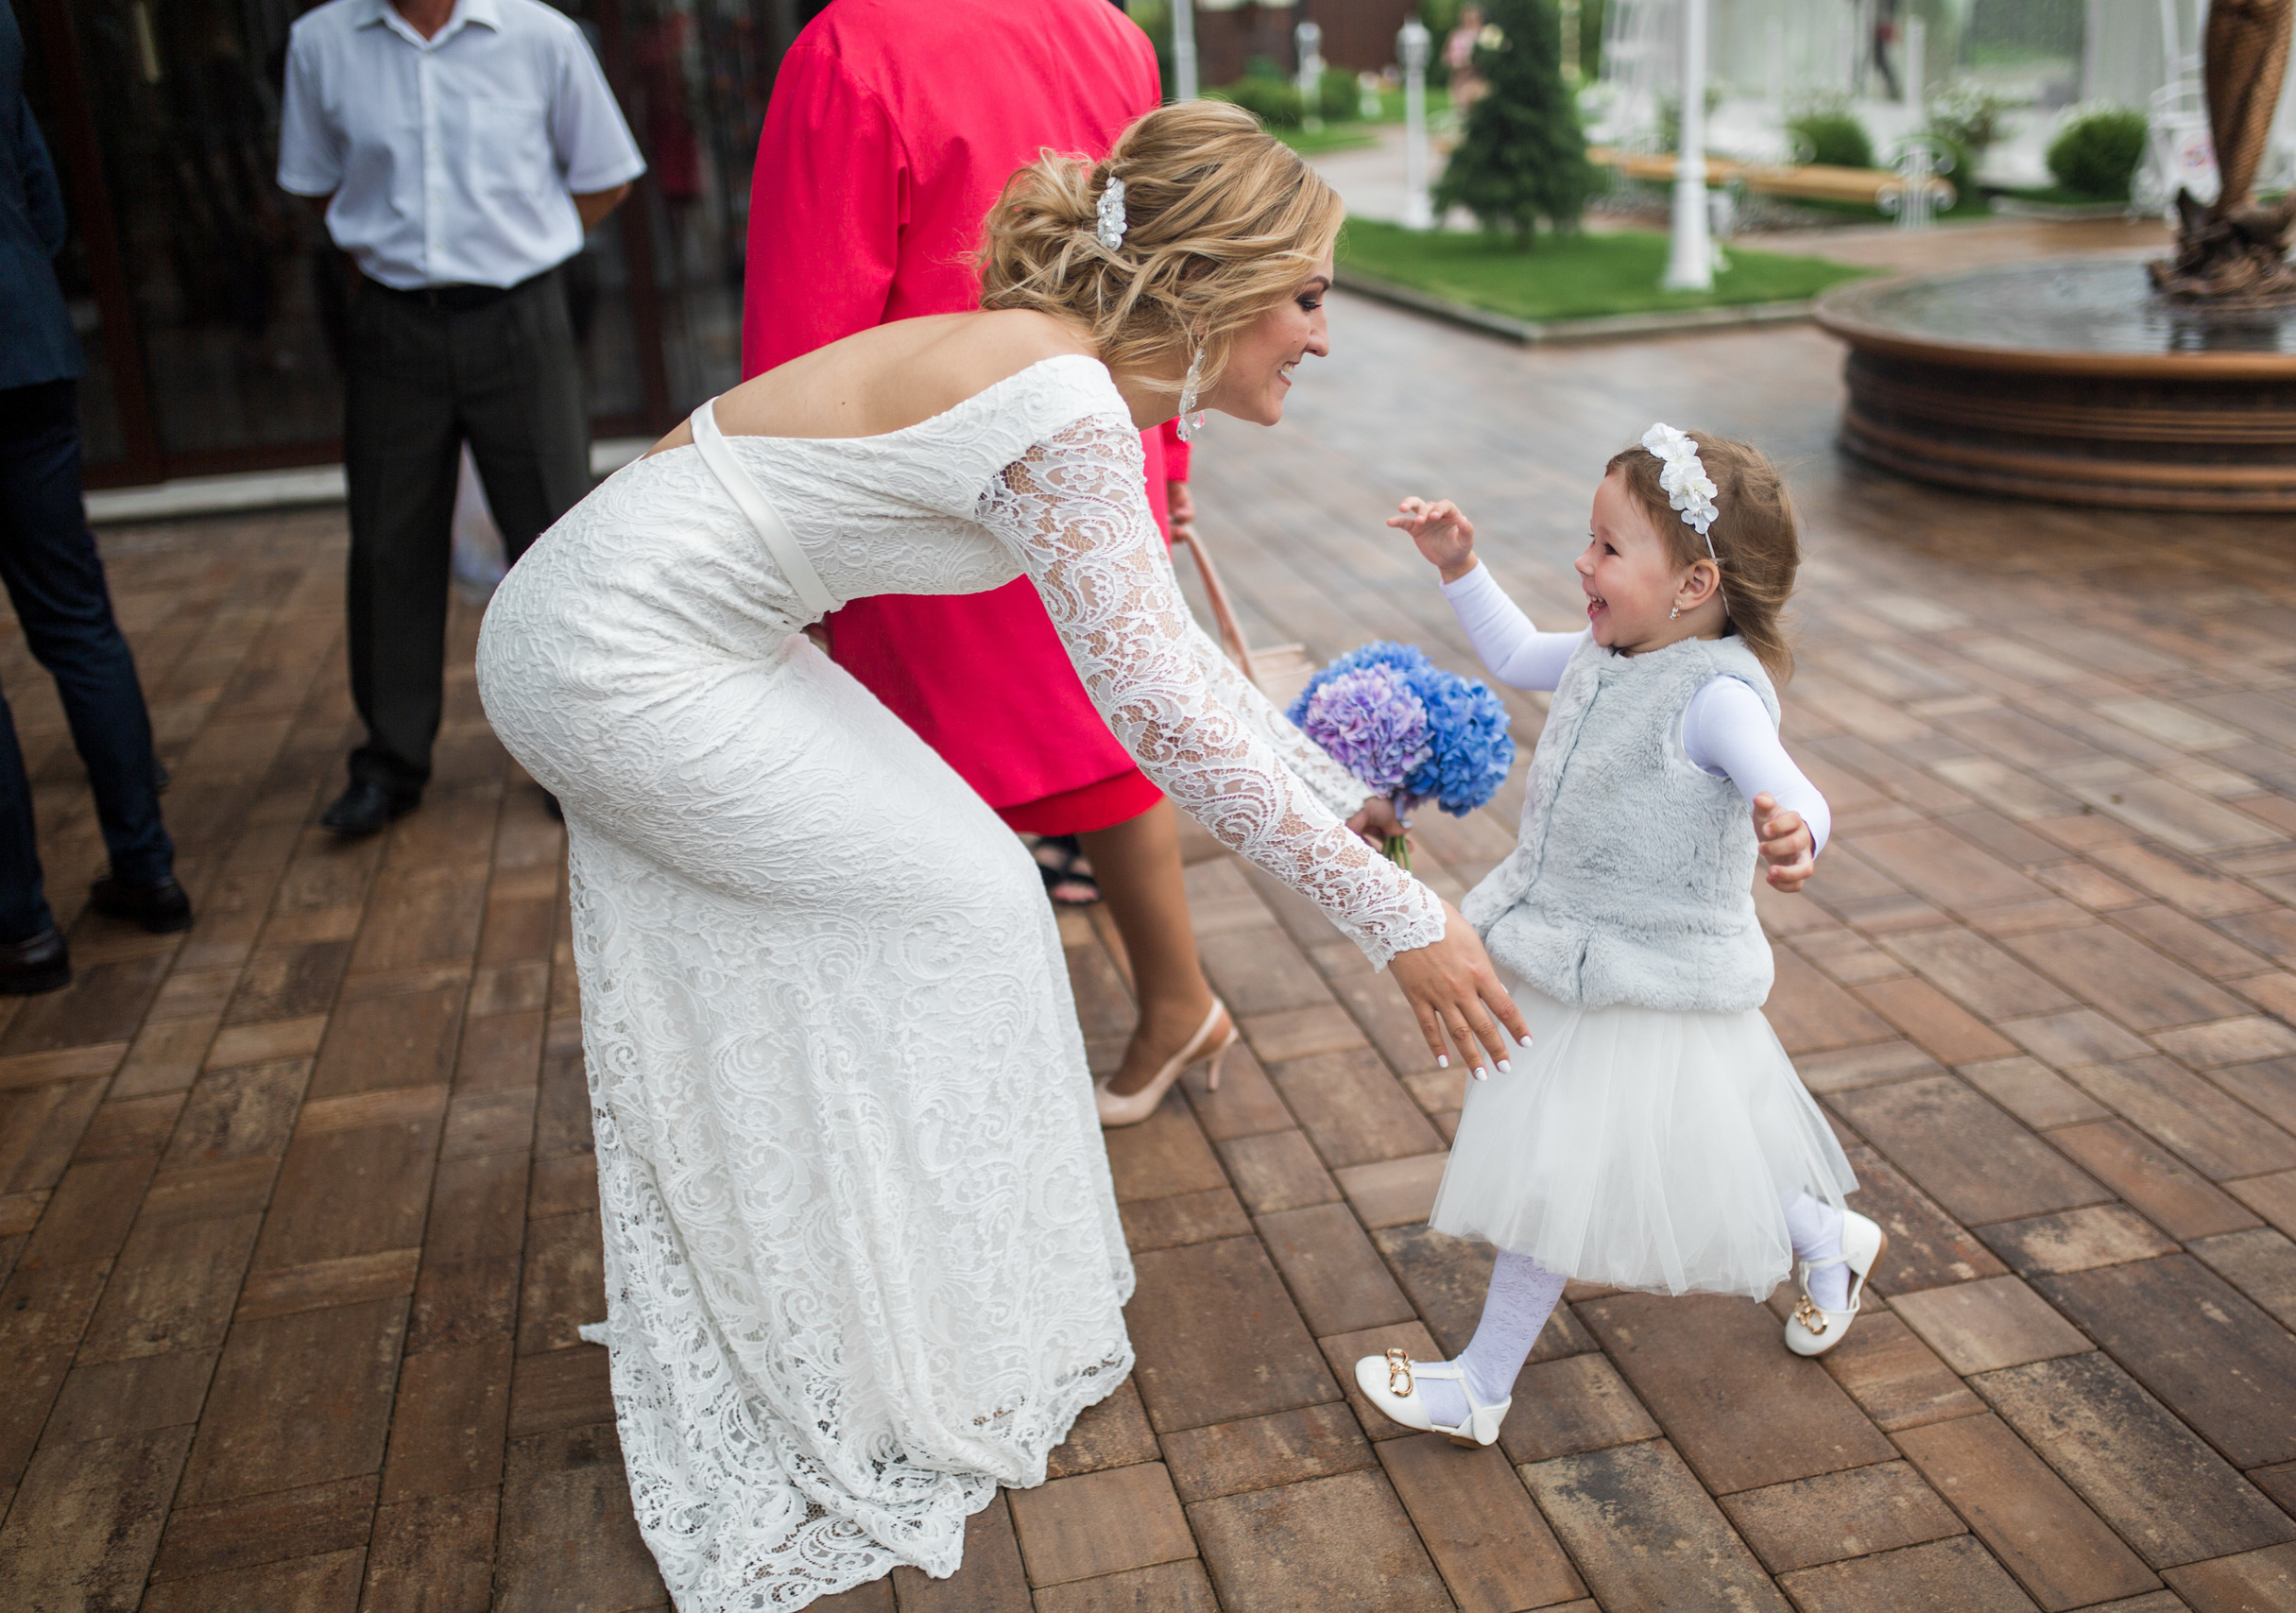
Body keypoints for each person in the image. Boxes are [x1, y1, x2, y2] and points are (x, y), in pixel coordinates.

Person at [475, 102, 1525, 1606]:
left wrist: (1338, 798)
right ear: (1215, 282)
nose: (1322, 335)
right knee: (971, 903)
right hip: (621, 655)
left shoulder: (1057, 367)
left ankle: (872, 1296)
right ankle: (898, 1326)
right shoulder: (1066, 402)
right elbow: (1157, 705)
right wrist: (1395, 912)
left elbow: (1177, 672)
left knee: (960, 897)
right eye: (1307, 296)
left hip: (677, 627)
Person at [744, 0, 1224, 1124]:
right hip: (1096, 433)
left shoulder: (849, 50)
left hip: (930, 466)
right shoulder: (1108, 28)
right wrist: (1169, 448)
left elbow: (809, 325)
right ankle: (1171, 997)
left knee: (919, 767)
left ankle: (969, 1070)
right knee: (1103, 717)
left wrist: (784, 531)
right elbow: (1166, 270)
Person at [1356, 424, 1876, 1449]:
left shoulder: (1716, 697)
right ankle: (1827, 1237)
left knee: (1563, 1168)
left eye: (1605, 547)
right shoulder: (1604, 652)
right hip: (1570, 951)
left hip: (1646, 975)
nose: (1582, 564)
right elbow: (1509, 652)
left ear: (1692, 585)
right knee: (1699, 1146)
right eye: (1587, 540)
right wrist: (1460, 567)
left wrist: (1791, 828)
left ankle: (1479, 1387)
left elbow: (1797, 789)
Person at [276, 0, 645, 835]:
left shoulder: (541, 36)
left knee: (554, 538)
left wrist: (524, 243)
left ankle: (573, 762)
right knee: (386, 541)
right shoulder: (321, 43)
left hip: (520, 319)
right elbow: (315, 183)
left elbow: (605, 176)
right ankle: (391, 763)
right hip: (392, 321)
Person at [0, 3, 190, 996]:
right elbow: (41, 189)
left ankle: (21, 928)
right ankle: (148, 867)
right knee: (76, 620)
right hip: (23, 344)